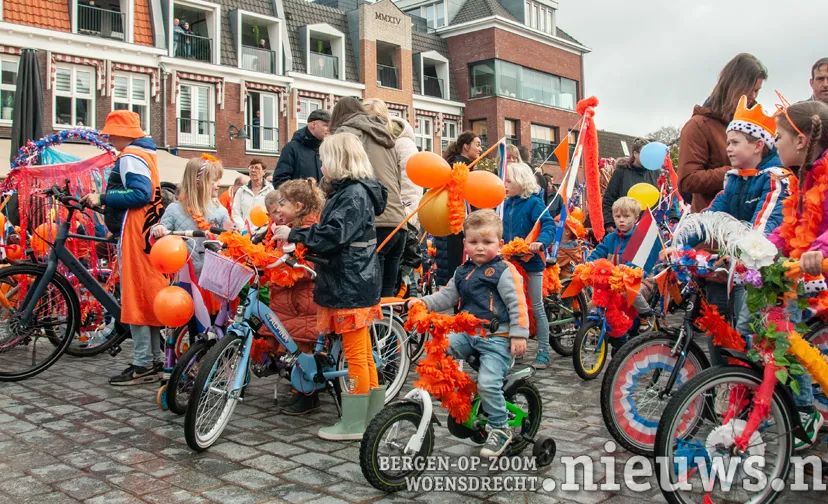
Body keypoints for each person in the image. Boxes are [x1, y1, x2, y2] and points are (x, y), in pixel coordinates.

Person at [272, 132, 387, 440]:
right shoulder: (353, 191)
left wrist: (294, 236)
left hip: (350, 281)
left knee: (356, 355)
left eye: (324, 157)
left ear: (338, 160)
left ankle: (355, 424)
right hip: (353, 278)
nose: (320, 163)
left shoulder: (353, 194)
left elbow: (333, 235)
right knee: (360, 353)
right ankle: (371, 419)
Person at [665, 95, 787, 362]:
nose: (728, 149)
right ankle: (722, 382)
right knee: (716, 325)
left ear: (757, 146)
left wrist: (740, 251)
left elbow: (763, 229)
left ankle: (770, 397)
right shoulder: (733, 180)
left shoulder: (775, 179)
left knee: (748, 331)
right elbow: (710, 217)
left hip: (761, 270)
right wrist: (678, 242)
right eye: (728, 142)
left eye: (734, 143)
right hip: (733, 266)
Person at [412, 210, 529, 458]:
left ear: (500, 244)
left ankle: (500, 428)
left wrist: (519, 334)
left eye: (487, 243)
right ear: (465, 243)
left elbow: (517, 303)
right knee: (438, 351)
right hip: (467, 334)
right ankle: (462, 396)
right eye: (474, 242)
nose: (479, 248)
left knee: (488, 383)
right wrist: (422, 303)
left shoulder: (504, 270)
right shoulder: (462, 271)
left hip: (498, 339)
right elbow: (446, 296)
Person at [81, 110, 168, 386]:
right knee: (148, 293)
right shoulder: (147, 153)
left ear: (120, 134)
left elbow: (139, 194)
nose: (109, 138)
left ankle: (143, 363)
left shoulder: (130, 156)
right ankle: (155, 359)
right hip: (146, 230)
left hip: (135, 230)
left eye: (110, 134)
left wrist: (102, 197)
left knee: (136, 295)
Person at [767, 99, 828, 449]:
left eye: (779, 137)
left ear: (801, 141)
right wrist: (758, 247)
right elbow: (790, 229)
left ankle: (805, 407)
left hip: (819, 267)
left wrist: (819, 248)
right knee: (778, 328)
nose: (776, 144)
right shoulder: (800, 179)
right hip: (807, 272)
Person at [329, 97, 404, 297]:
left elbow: (335, 171)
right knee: (387, 300)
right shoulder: (387, 137)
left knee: (369, 299)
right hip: (398, 221)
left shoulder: (347, 133)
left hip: (374, 223)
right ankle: (393, 328)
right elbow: (397, 177)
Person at [262, 179, 326, 416]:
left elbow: (308, 262)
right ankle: (299, 385)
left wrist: (286, 266)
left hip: (303, 302)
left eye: (283, 203)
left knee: (302, 346)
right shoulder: (287, 225)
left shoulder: (308, 229)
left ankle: (309, 395)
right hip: (287, 299)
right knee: (290, 344)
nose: (278, 208)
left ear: (298, 206)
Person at [678, 53, 768, 212]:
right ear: (734, 87)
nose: (754, 97)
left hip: (748, 219)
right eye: (750, 90)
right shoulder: (698, 126)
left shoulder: (754, 125)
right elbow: (687, 180)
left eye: (757, 91)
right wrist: (734, 173)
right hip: (711, 225)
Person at [502, 162, 556, 369]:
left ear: (521, 181)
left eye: (508, 180)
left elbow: (548, 225)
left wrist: (540, 242)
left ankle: (543, 351)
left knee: (536, 306)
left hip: (531, 262)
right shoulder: (505, 204)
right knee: (512, 306)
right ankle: (516, 347)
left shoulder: (534, 203)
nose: (504, 184)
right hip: (510, 262)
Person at [588, 197, 663, 342]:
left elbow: (644, 263)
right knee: (596, 296)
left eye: (626, 216)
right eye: (617, 216)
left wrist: (630, 268)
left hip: (640, 280)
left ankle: (646, 315)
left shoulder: (641, 238)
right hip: (615, 280)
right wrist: (588, 263)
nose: (621, 220)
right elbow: (599, 252)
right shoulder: (610, 238)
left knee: (630, 291)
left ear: (636, 218)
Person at [150, 155, 231, 276]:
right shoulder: (174, 209)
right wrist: (157, 228)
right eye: (214, 180)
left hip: (213, 277)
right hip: (184, 276)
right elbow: (160, 236)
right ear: (198, 183)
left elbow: (230, 238)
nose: (219, 184)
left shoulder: (221, 211)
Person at [434, 131, 483, 287]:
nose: (480, 149)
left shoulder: (463, 166)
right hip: (456, 226)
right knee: (457, 270)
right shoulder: (459, 168)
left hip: (452, 225)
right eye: (477, 144)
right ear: (465, 146)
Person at [362, 98, 422, 226]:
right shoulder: (365, 141)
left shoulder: (402, 143)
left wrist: (409, 213)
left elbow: (410, 179)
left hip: (396, 215)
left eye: (376, 119)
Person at [602, 138, 659, 233]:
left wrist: (674, 217)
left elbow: (666, 197)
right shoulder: (621, 172)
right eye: (645, 154)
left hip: (651, 228)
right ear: (635, 154)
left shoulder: (656, 172)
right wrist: (609, 223)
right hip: (625, 229)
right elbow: (609, 199)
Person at [272, 110, 329, 188]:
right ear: (313, 124)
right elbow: (280, 180)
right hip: (299, 200)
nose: (328, 129)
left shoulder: (327, 149)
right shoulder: (291, 148)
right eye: (326, 125)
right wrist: (300, 195)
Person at [232, 159, 272, 231]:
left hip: (264, 234)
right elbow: (236, 212)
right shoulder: (241, 191)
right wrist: (243, 229)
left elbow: (273, 212)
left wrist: (263, 229)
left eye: (257, 168)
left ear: (264, 172)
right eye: (251, 167)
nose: (253, 170)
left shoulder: (270, 190)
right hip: (245, 233)